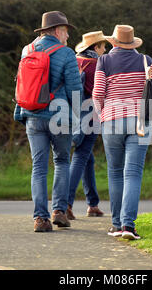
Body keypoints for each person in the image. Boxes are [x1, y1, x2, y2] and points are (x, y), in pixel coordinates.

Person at [14, 11, 83, 232]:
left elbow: (22, 84)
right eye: (66, 32)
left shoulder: (27, 50)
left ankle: (40, 218)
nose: (68, 37)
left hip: (32, 115)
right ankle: (59, 211)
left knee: (39, 167)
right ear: (57, 31)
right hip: (59, 116)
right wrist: (79, 116)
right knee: (62, 161)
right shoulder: (66, 53)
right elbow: (75, 90)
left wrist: (21, 111)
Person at [93, 25, 152, 240]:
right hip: (140, 121)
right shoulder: (146, 61)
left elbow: (97, 94)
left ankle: (116, 225)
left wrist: (103, 115)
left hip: (111, 121)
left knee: (114, 172)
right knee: (132, 174)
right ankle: (128, 227)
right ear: (133, 43)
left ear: (113, 42)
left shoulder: (104, 61)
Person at [66, 31, 107, 220]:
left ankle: (92, 203)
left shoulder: (74, 61)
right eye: (103, 46)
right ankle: (65, 204)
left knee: (87, 158)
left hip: (69, 115)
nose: (105, 50)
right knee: (81, 156)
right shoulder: (97, 65)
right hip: (91, 116)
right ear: (96, 47)